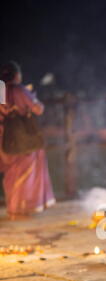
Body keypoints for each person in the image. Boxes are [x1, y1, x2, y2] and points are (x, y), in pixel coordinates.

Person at [0, 61, 55, 220]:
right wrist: (32, 97)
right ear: (17, 75)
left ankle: (14, 209)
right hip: (19, 137)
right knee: (24, 171)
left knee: (10, 173)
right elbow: (38, 109)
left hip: (3, 138)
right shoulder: (19, 90)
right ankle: (18, 210)